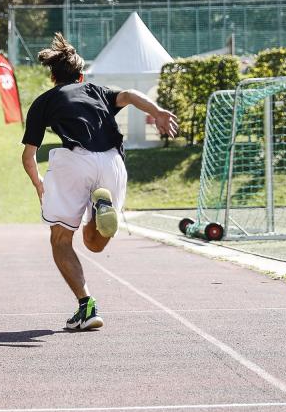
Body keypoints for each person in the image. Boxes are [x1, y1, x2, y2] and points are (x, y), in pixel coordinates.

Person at [21, 33, 179, 331]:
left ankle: (87, 306)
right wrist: (156, 112)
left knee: (61, 239)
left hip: (74, 161)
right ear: (81, 76)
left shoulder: (44, 102)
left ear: (53, 77)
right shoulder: (97, 91)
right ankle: (99, 209)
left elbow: (29, 156)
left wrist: (38, 183)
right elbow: (129, 95)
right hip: (113, 163)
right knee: (94, 243)